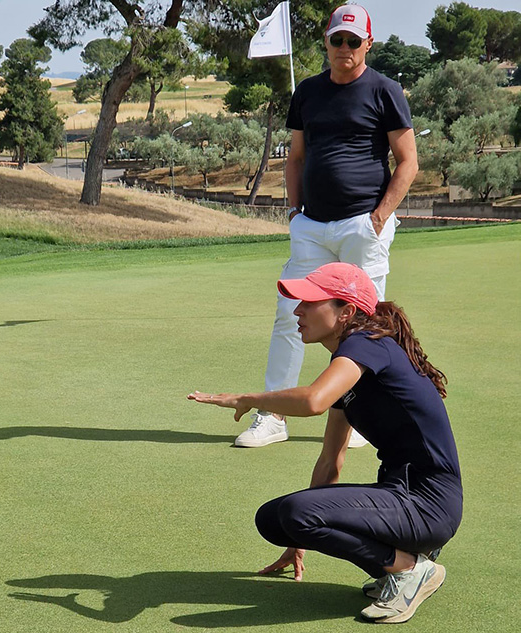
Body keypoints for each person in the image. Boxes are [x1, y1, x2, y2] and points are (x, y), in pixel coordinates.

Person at [189, 262, 462, 624]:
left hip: (429, 503)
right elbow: (331, 460)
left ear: (346, 311)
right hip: (401, 496)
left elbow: (313, 401)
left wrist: (251, 398)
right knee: (275, 520)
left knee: (294, 512)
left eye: (309, 302)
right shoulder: (349, 364)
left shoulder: (369, 344)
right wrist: (299, 538)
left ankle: (410, 568)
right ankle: (400, 564)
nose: (297, 310)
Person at [236, 4, 419, 448]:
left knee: (366, 325)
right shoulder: (309, 93)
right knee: (289, 316)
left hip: (362, 226)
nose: (345, 48)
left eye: (353, 42)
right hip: (312, 227)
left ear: (367, 45)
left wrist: (378, 218)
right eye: (337, 40)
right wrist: (296, 212)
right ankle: (274, 414)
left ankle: (361, 417)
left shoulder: (385, 90)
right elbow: (295, 157)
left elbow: (408, 161)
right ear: (326, 42)